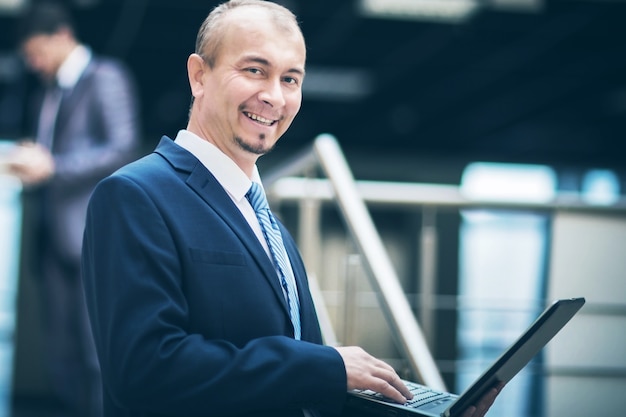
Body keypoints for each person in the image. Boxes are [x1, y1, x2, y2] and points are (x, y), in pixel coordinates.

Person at [81, 1, 501, 416]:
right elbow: (144, 373)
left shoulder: (270, 225)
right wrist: (325, 364)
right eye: (254, 70)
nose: (274, 97)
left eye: (291, 79)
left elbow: (293, 394)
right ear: (199, 76)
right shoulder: (134, 195)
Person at [8, 2, 141, 416]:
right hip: (51, 238)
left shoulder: (106, 77)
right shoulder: (49, 93)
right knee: (61, 354)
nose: (33, 63)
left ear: (62, 37)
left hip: (90, 237)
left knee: (93, 351)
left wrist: (53, 166)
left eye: (36, 53)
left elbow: (122, 148)